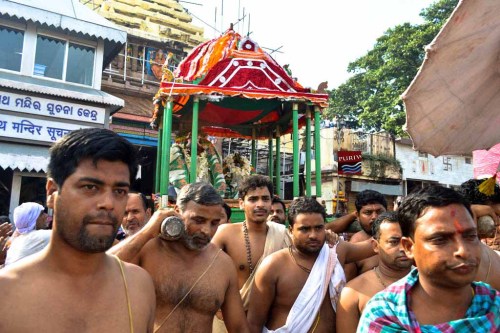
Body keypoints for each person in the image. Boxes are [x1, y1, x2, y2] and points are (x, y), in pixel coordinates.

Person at [0, 128, 156, 332]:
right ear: (52, 192)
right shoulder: (6, 294)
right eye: (90, 187)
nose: (108, 203)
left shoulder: (138, 287)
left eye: (119, 191)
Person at [110, 182, 249, 333]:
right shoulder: (148, 250)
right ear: (177, 211)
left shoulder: (223, 264)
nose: (206, 231)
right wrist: (149, 230)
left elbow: (239, 328)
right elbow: (101, 270)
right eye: (198, 220)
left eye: (214, 223)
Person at [358, 185, 500, 332]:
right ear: (408, 247)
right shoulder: (384, 316)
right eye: (440, 239)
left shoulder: (494, 307)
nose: (463, 251)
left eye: (470, 236)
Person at [247, 197, 377, 333]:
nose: (313, 235)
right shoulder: (273, 266)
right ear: (291, 231)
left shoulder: (336, 251)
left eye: (319, 228)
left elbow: (375, 246)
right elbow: (254, 323)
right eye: (305, 229)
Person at [336, 211, 413, 333]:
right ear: (375, 246)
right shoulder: (353, 293)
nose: (403, 248)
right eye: (394, 242)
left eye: (408, 241)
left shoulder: (432, 284)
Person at [343, 190, 387, 280]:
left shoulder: (403, 236)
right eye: (368, 212)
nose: (374, 217)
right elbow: (348, 284)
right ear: (358, 216)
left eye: (379, 212)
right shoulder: (354, 245)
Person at [4, 202, 50, 266]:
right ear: (32, 219)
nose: (46, 215)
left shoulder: (17, 240)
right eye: (42, 214)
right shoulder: (39, 236)